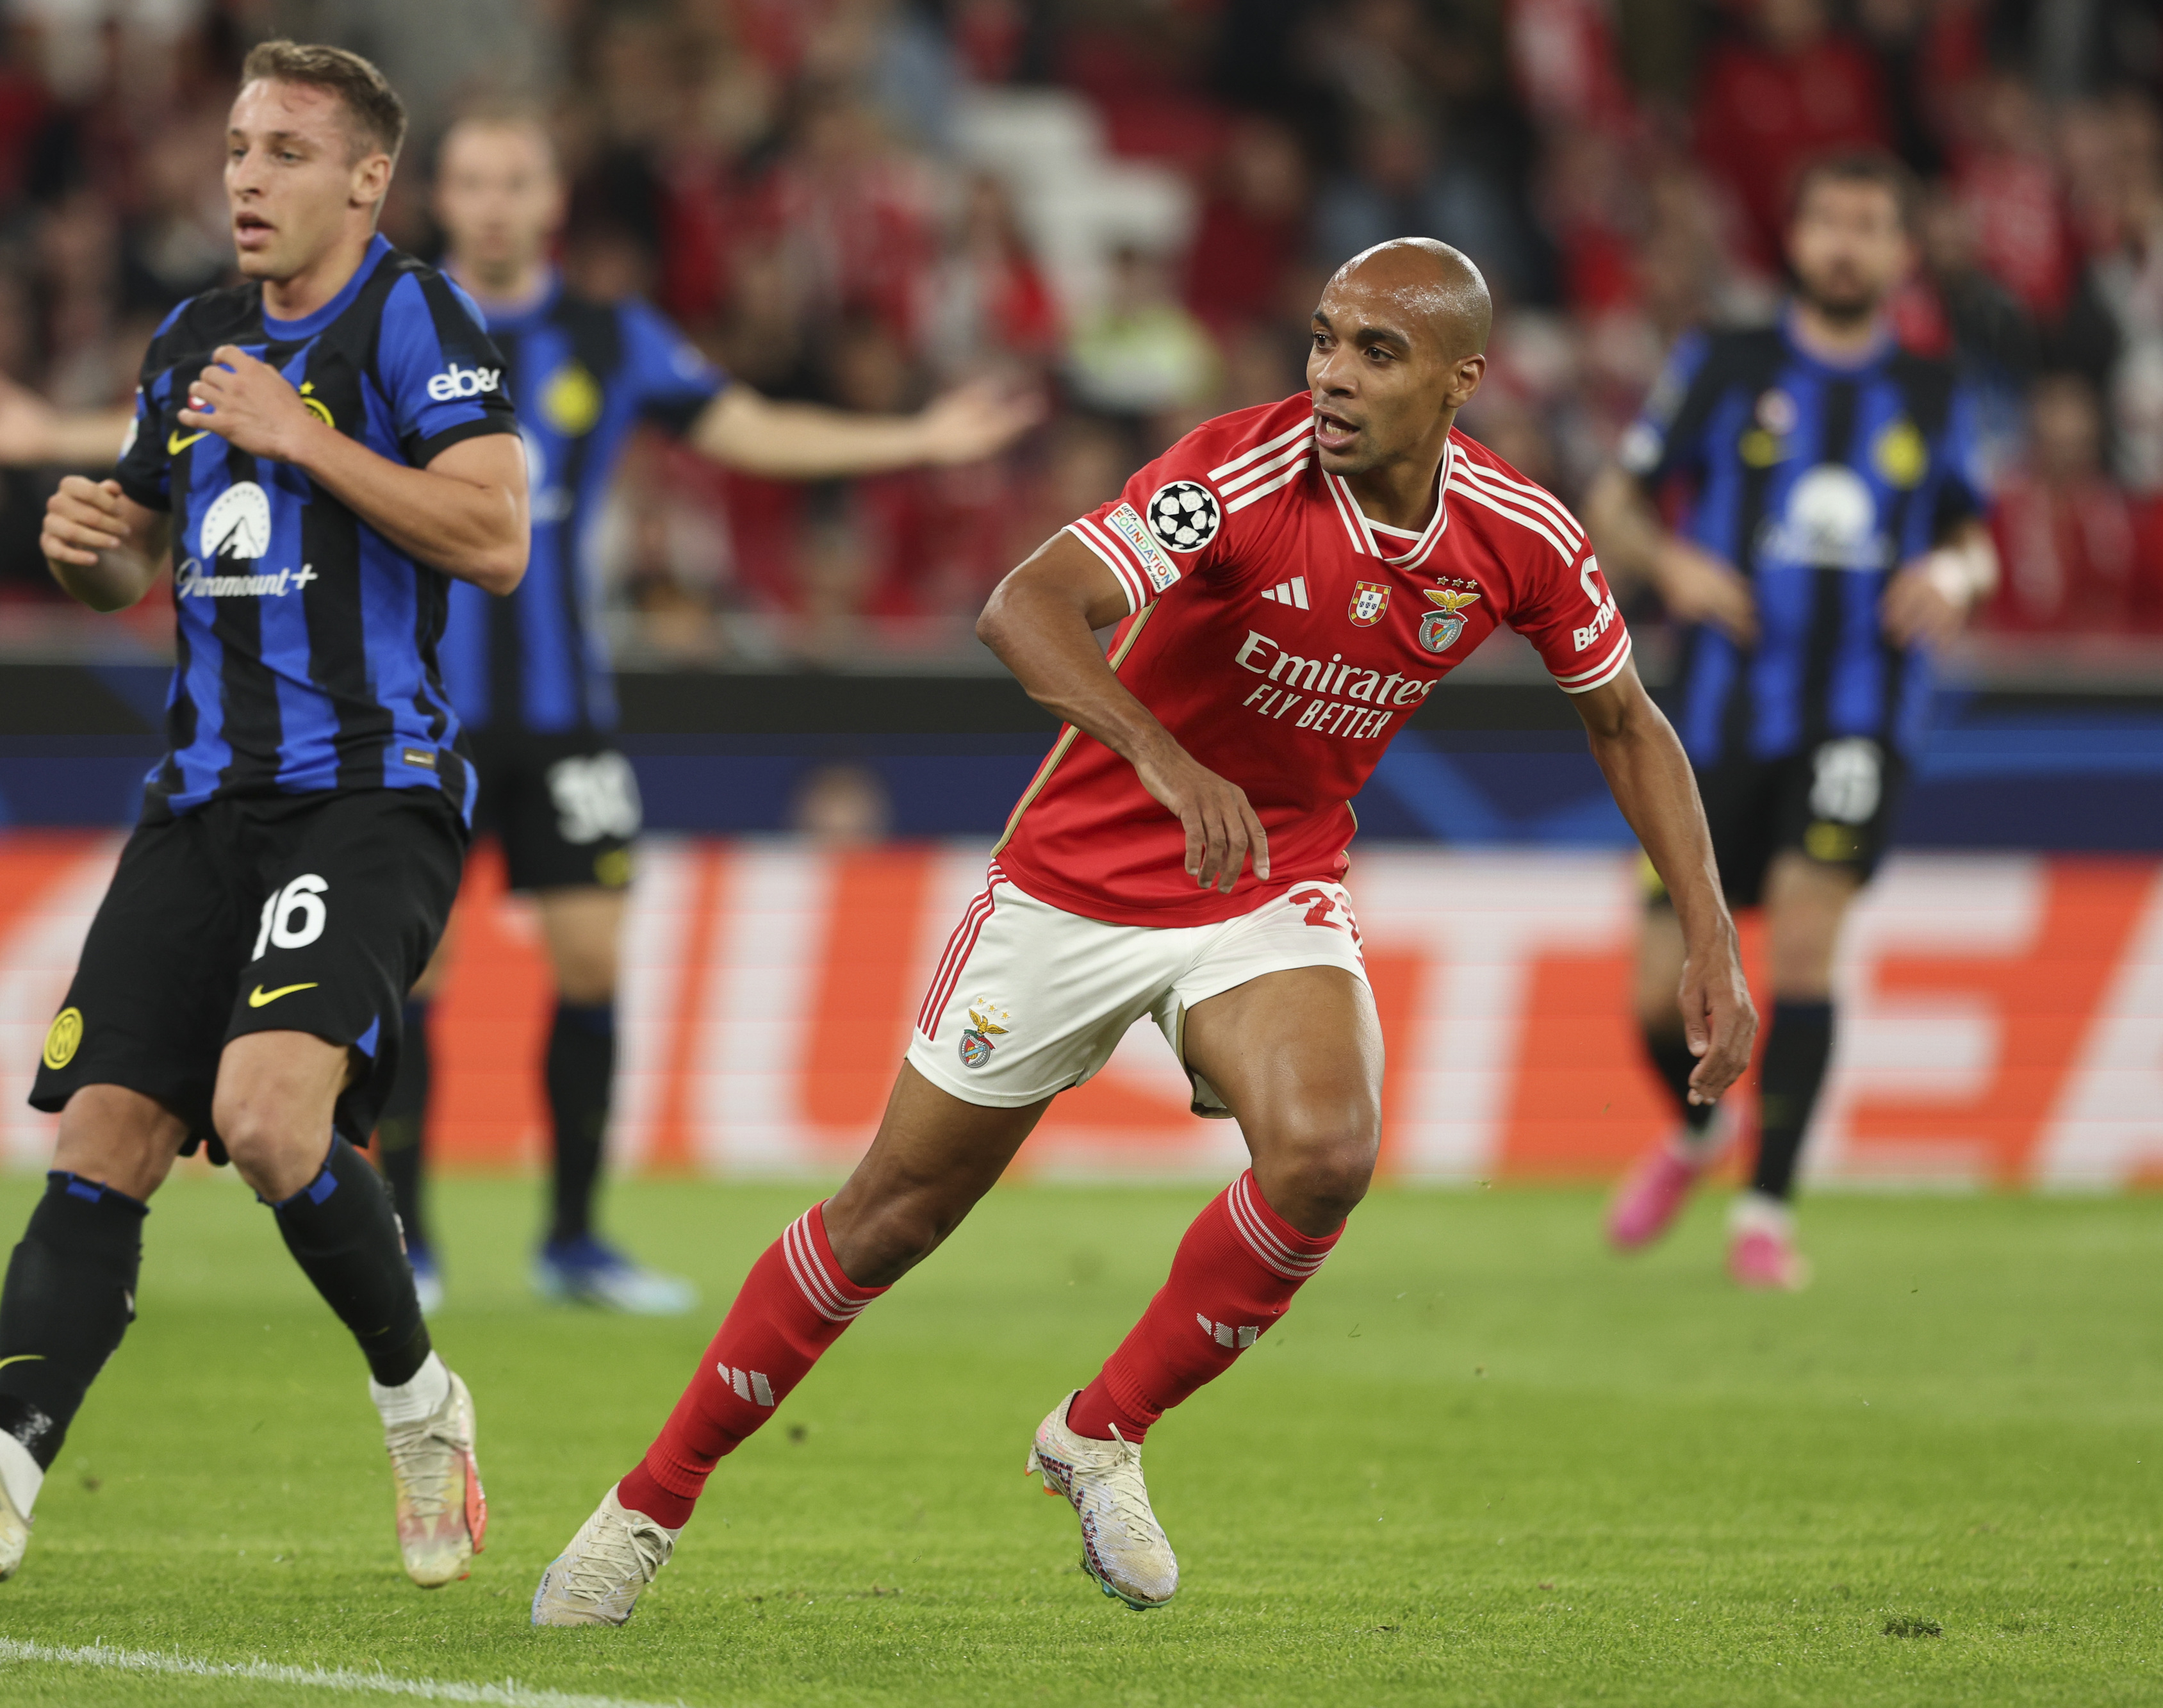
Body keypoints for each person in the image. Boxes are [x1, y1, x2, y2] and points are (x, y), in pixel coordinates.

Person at [529, 238, 1756, 1625]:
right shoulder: (1234, 474)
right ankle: (644, 1509)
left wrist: (1707, 931)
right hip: (1074, 883)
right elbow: (1023, 607)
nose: (1330, 376)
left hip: (1265, 879)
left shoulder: (1516, 535)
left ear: (1461, 379)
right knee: (890, 1217)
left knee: (1325, 1155)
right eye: (1319, 338)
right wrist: (1162, 760)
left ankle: (1096, 1432)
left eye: (1374, 352)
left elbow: (1623, 719)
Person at [0, 42, 530, 1593]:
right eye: (232, 148)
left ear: (365, 179)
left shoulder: (416, 319)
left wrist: (308, 439)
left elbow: (494, 535)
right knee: (103, 1134)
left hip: (366, 792)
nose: (244, 180)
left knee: (276, 1121)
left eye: (283, 151)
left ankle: (420, 1406)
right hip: (199, 805)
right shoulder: (191, 339)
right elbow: (134, 557)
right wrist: (86, 545)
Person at [379, 111, 1041, 1315]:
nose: (489, 201)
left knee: (590, 960)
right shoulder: (393, 325)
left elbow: (751, 429)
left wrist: (916, 435)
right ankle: (409, 1240)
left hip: (567, 714)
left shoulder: (608, 334)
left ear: (550, 201)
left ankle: (573, 1239)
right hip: (425, 713)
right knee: (422, 971)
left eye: (513, 178)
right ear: (441, 196)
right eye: (470, 180)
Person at [1590, 151, 1996, 1288]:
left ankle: (1763, 1210)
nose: (1846, 244)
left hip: (1858, 717)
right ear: (1797, 235)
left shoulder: (1932, 391)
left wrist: (1958, 580)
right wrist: (1674, 559)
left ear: (1902, 253)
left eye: (1871, 225)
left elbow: (1974, 535)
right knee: (1652, 984)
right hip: (1712, 723)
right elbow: (1614, 501)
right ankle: (1701, 1131)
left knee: (1809, 941)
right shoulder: (1722, 364)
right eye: (1829, 220)